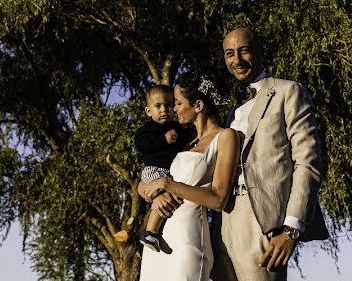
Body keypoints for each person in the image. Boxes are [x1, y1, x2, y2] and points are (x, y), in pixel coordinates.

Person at [211, 27, 329, 281]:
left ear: (258, 51)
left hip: (263, 220)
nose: (237, 60)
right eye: (230, 54)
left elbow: (307, 162)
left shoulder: (289, 92)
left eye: (244, 51)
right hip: (223, 220)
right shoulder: (232, 112)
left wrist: (291, 230)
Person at [138, 72, 240, 281]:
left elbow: (218, 199)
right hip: (158, 239)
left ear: (198, 105)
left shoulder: (225, 137)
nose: (173, 109)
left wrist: (168, 184)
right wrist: (155, 194)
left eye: (177, 103)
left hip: (187, 237)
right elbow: (146, 179)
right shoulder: (183, 140)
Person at [135, 84, 190, 253]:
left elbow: (186, 139)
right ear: (148, 111)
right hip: (154, 170)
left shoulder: (177, 127)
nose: (164, 109)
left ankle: (156, 232)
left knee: (168, 201)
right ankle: (151, 232)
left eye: (168, 104)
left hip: (168, 173)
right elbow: (142, 145)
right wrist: (163, 140)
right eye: (158, 106)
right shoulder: (147, 129)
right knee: (161, 200)